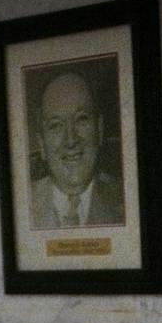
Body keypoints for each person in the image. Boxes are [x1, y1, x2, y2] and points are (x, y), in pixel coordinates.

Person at [31, 69, 123, 228]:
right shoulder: (23, 203)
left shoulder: (126, 196)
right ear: (41, 144)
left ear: (99, 129)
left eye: (81, 119)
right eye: (56, 125)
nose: (71, 140)